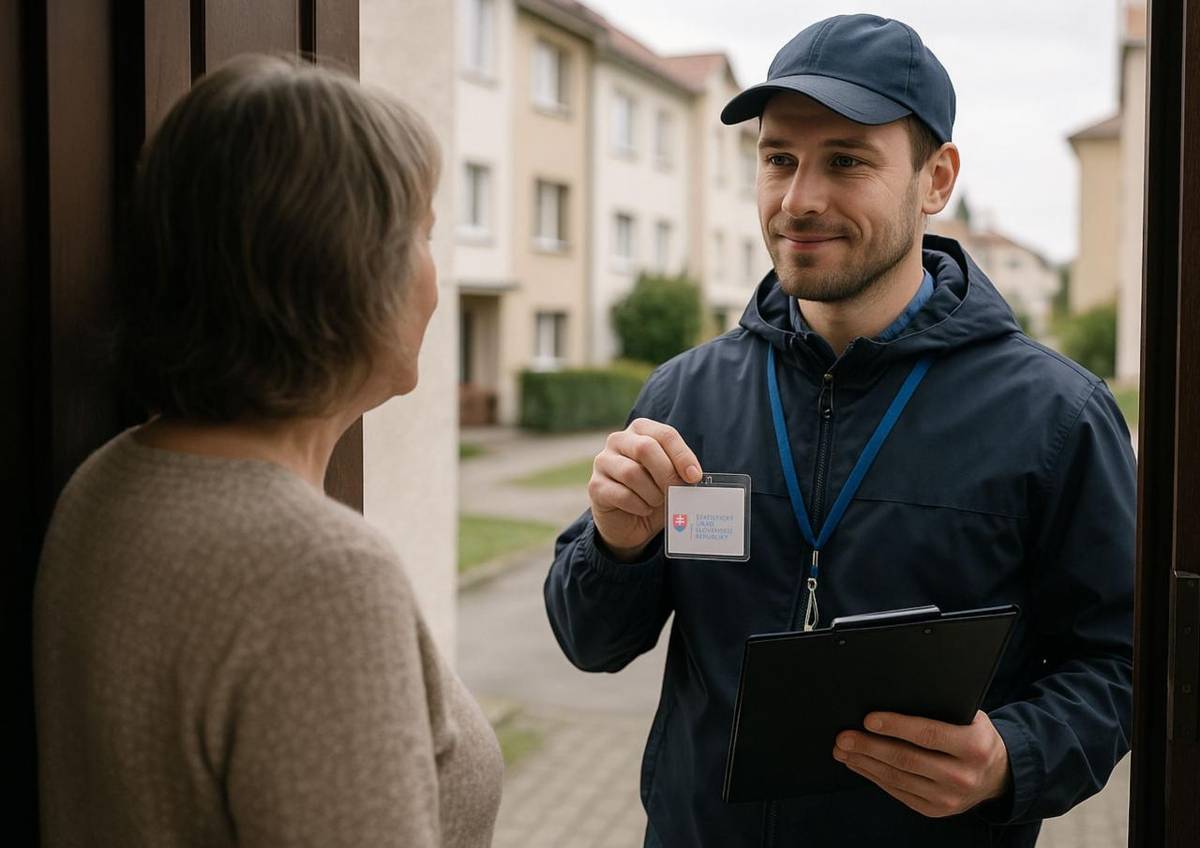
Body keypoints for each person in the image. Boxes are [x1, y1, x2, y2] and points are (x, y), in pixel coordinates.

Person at [545, 14, 1134, 848]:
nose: (799, 199)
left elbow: (1124, 662)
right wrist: (618, 546)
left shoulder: (1056, 416)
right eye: (779, 157)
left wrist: (1013, 756)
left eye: (847, 161)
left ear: (936, 180)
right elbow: (589, 641)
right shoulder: (687, 394)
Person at [33, 55, 502, 847]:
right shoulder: (319, 573)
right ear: (350, 272)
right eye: (422, 234)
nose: (433, 279)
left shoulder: (112, 479)